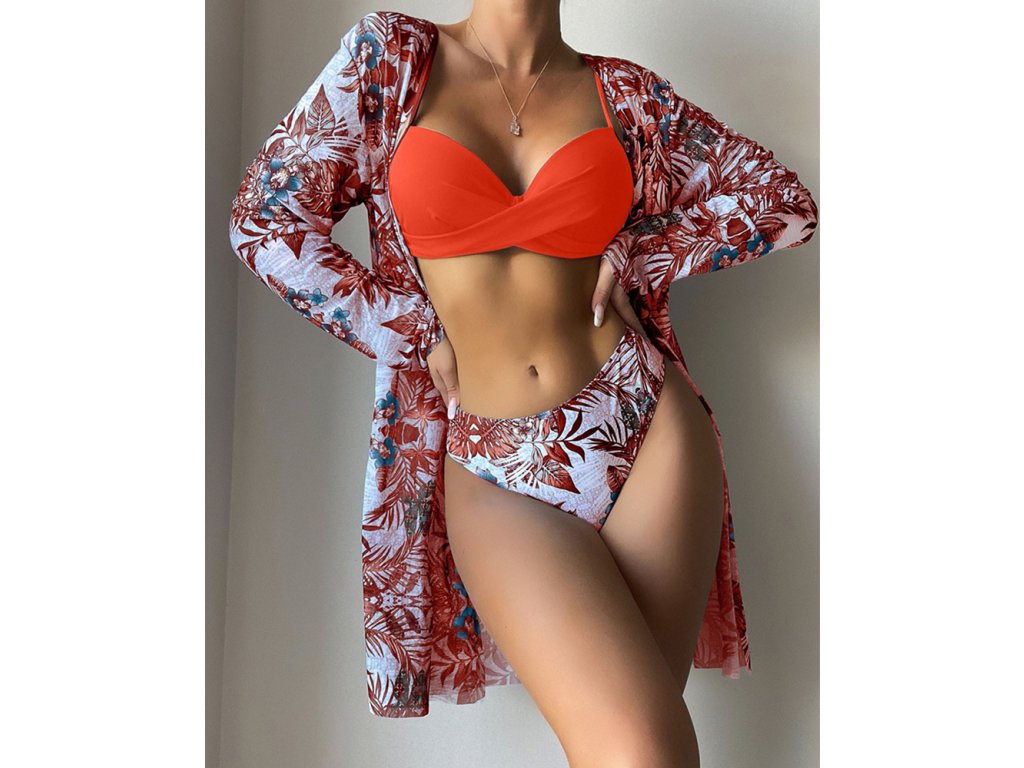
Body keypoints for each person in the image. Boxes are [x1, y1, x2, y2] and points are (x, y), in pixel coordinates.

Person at [229, 3, 817, 763]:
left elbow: (784, 202)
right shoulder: (390, 61)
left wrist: (649, 248)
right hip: (492, 462)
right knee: (641, 749)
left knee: (640, 751)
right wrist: (408, 326)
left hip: (647, 432)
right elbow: (265, 221)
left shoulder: (625, 95)